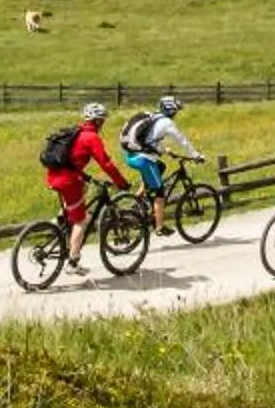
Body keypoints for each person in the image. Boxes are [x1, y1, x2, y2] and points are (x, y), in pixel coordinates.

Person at [40, 101, 130, 274]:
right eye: (102, 121)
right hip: (68, 180)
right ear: (97, 121)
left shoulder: (76, 131)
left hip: (54, 176)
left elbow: (71, 159)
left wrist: (85, 176)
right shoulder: (92, 138)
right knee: (82, 220)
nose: (103, 124)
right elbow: (106, 164)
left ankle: (60, 222)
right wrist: (121, 182)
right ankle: (73, 262)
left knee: (82, 190)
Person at [119, 95, 208, 235]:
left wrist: (165, 151)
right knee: (160, 192)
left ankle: (138, 199)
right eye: (176, 111)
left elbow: (150, 139)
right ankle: (159, 227)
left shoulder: (153, 116)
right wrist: (196, 155)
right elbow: (182, 140)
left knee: (161, 167)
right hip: (142, 159)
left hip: (132, 155)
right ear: (171, 110)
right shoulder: (167, 123)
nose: (177, 113)